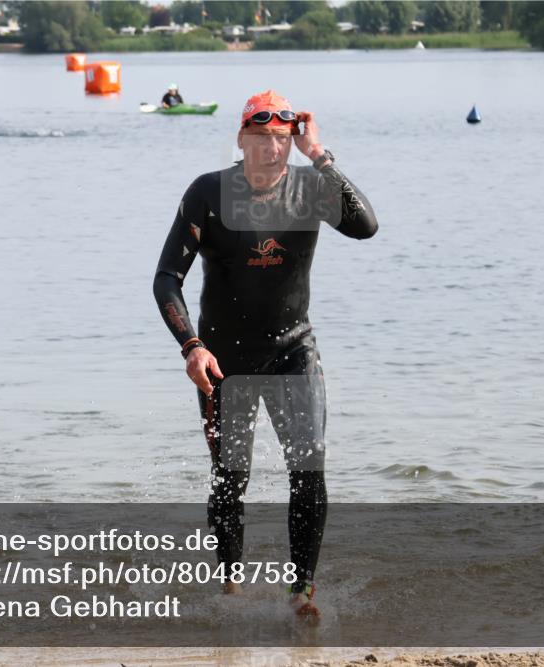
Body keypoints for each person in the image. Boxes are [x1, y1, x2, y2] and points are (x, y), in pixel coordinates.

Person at [152, 90, 378, 622]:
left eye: (281, 140)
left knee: (309, 467)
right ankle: (230, 586)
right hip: (223, 360)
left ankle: (301, 592)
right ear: (241, 139)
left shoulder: (312, 188)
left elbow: (365, 226)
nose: (272, 150)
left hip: (293, 350)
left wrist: (319, 154)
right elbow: (166, 278)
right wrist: (192, 347)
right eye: (260, 139)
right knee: (231, 477)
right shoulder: (209, 192)